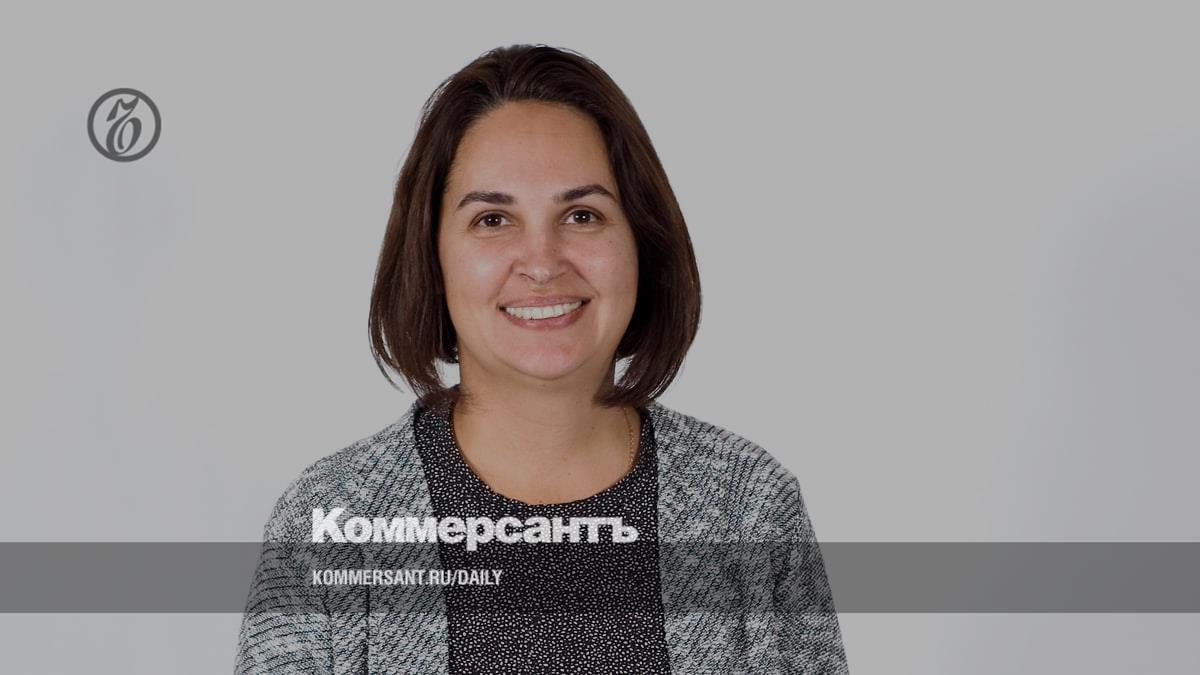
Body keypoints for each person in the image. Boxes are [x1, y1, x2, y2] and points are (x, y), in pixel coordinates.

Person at [236, 43, 849, 674]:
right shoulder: (332, 522)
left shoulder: (749, 508)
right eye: (492, 219)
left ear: (643, 243)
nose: (542, 262)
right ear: (432, 257)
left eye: (582, 215)